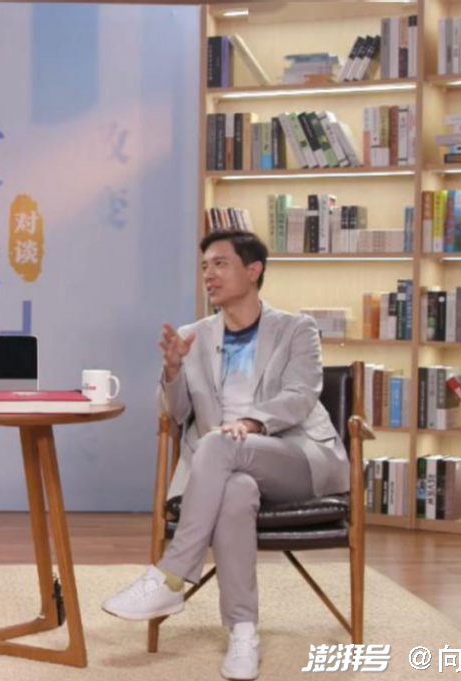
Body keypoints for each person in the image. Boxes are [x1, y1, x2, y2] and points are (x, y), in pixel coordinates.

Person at [101, 230, 349, 681]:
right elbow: (175, 415)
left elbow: (300, 395)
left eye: (220, 264)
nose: (208, 275)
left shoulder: (296, 329)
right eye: (204, 267)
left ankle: (172, 575)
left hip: (294, 457)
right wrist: (172, 371)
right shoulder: (192, 336)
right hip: (227, 470)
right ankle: (243, 633)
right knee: (235, 491)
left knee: (218, 442)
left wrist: (251, 423)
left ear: (253, 271)